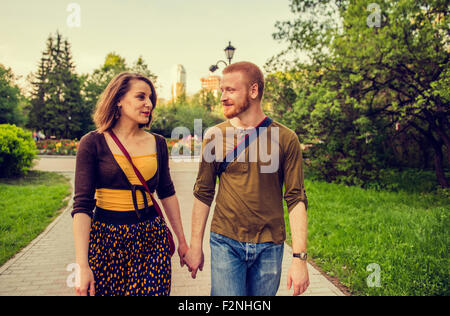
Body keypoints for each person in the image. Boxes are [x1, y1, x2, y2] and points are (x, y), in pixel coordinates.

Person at [183, 62, 309, 296]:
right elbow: (203, 193)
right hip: (225, 241)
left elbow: (296, 198)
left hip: (270, 246)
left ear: (253, 91)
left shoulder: (285, 138)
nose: (222, 97)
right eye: (222, 90)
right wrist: (195, 246)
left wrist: (299, 259)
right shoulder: (215, 136)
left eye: (230, 90)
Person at [72, 72, 188, 296]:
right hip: (107, 242)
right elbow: (82, 206)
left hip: (152, 240)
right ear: (118, 99)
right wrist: (82, 265)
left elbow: (167, 192)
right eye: (141, 97)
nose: (149, 104)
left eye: (151, 98)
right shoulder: (92, 143)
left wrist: (182, 242)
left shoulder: (158, 143)